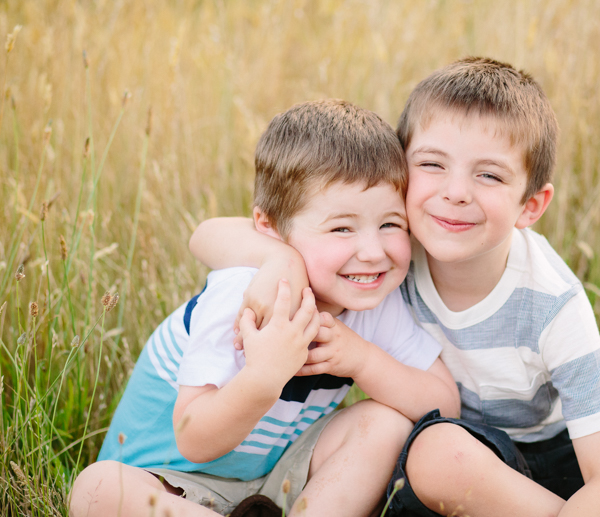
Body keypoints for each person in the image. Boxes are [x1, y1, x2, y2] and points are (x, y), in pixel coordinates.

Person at [189, 58, 600, 517]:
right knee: (436, 453)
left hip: (558, 450)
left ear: (531, 204)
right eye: (433, 165)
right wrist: (279, 263)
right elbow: (211, 234)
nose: (455, 193)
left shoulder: (554, 304)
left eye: (488, 175)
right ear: (399, 172)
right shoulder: (390, 250)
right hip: (462, 457)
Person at [69, 99, 460, 517]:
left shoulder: (372, 301)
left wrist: (363, 360)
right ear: (270, 227)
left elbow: (444, 406)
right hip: (173, 482)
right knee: (97, 489)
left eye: (390, 224)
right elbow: (195, 440)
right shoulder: (242, 293)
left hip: (276, 480)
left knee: (388, 423)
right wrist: (263, 376)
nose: (372, 252)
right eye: (342, 228)